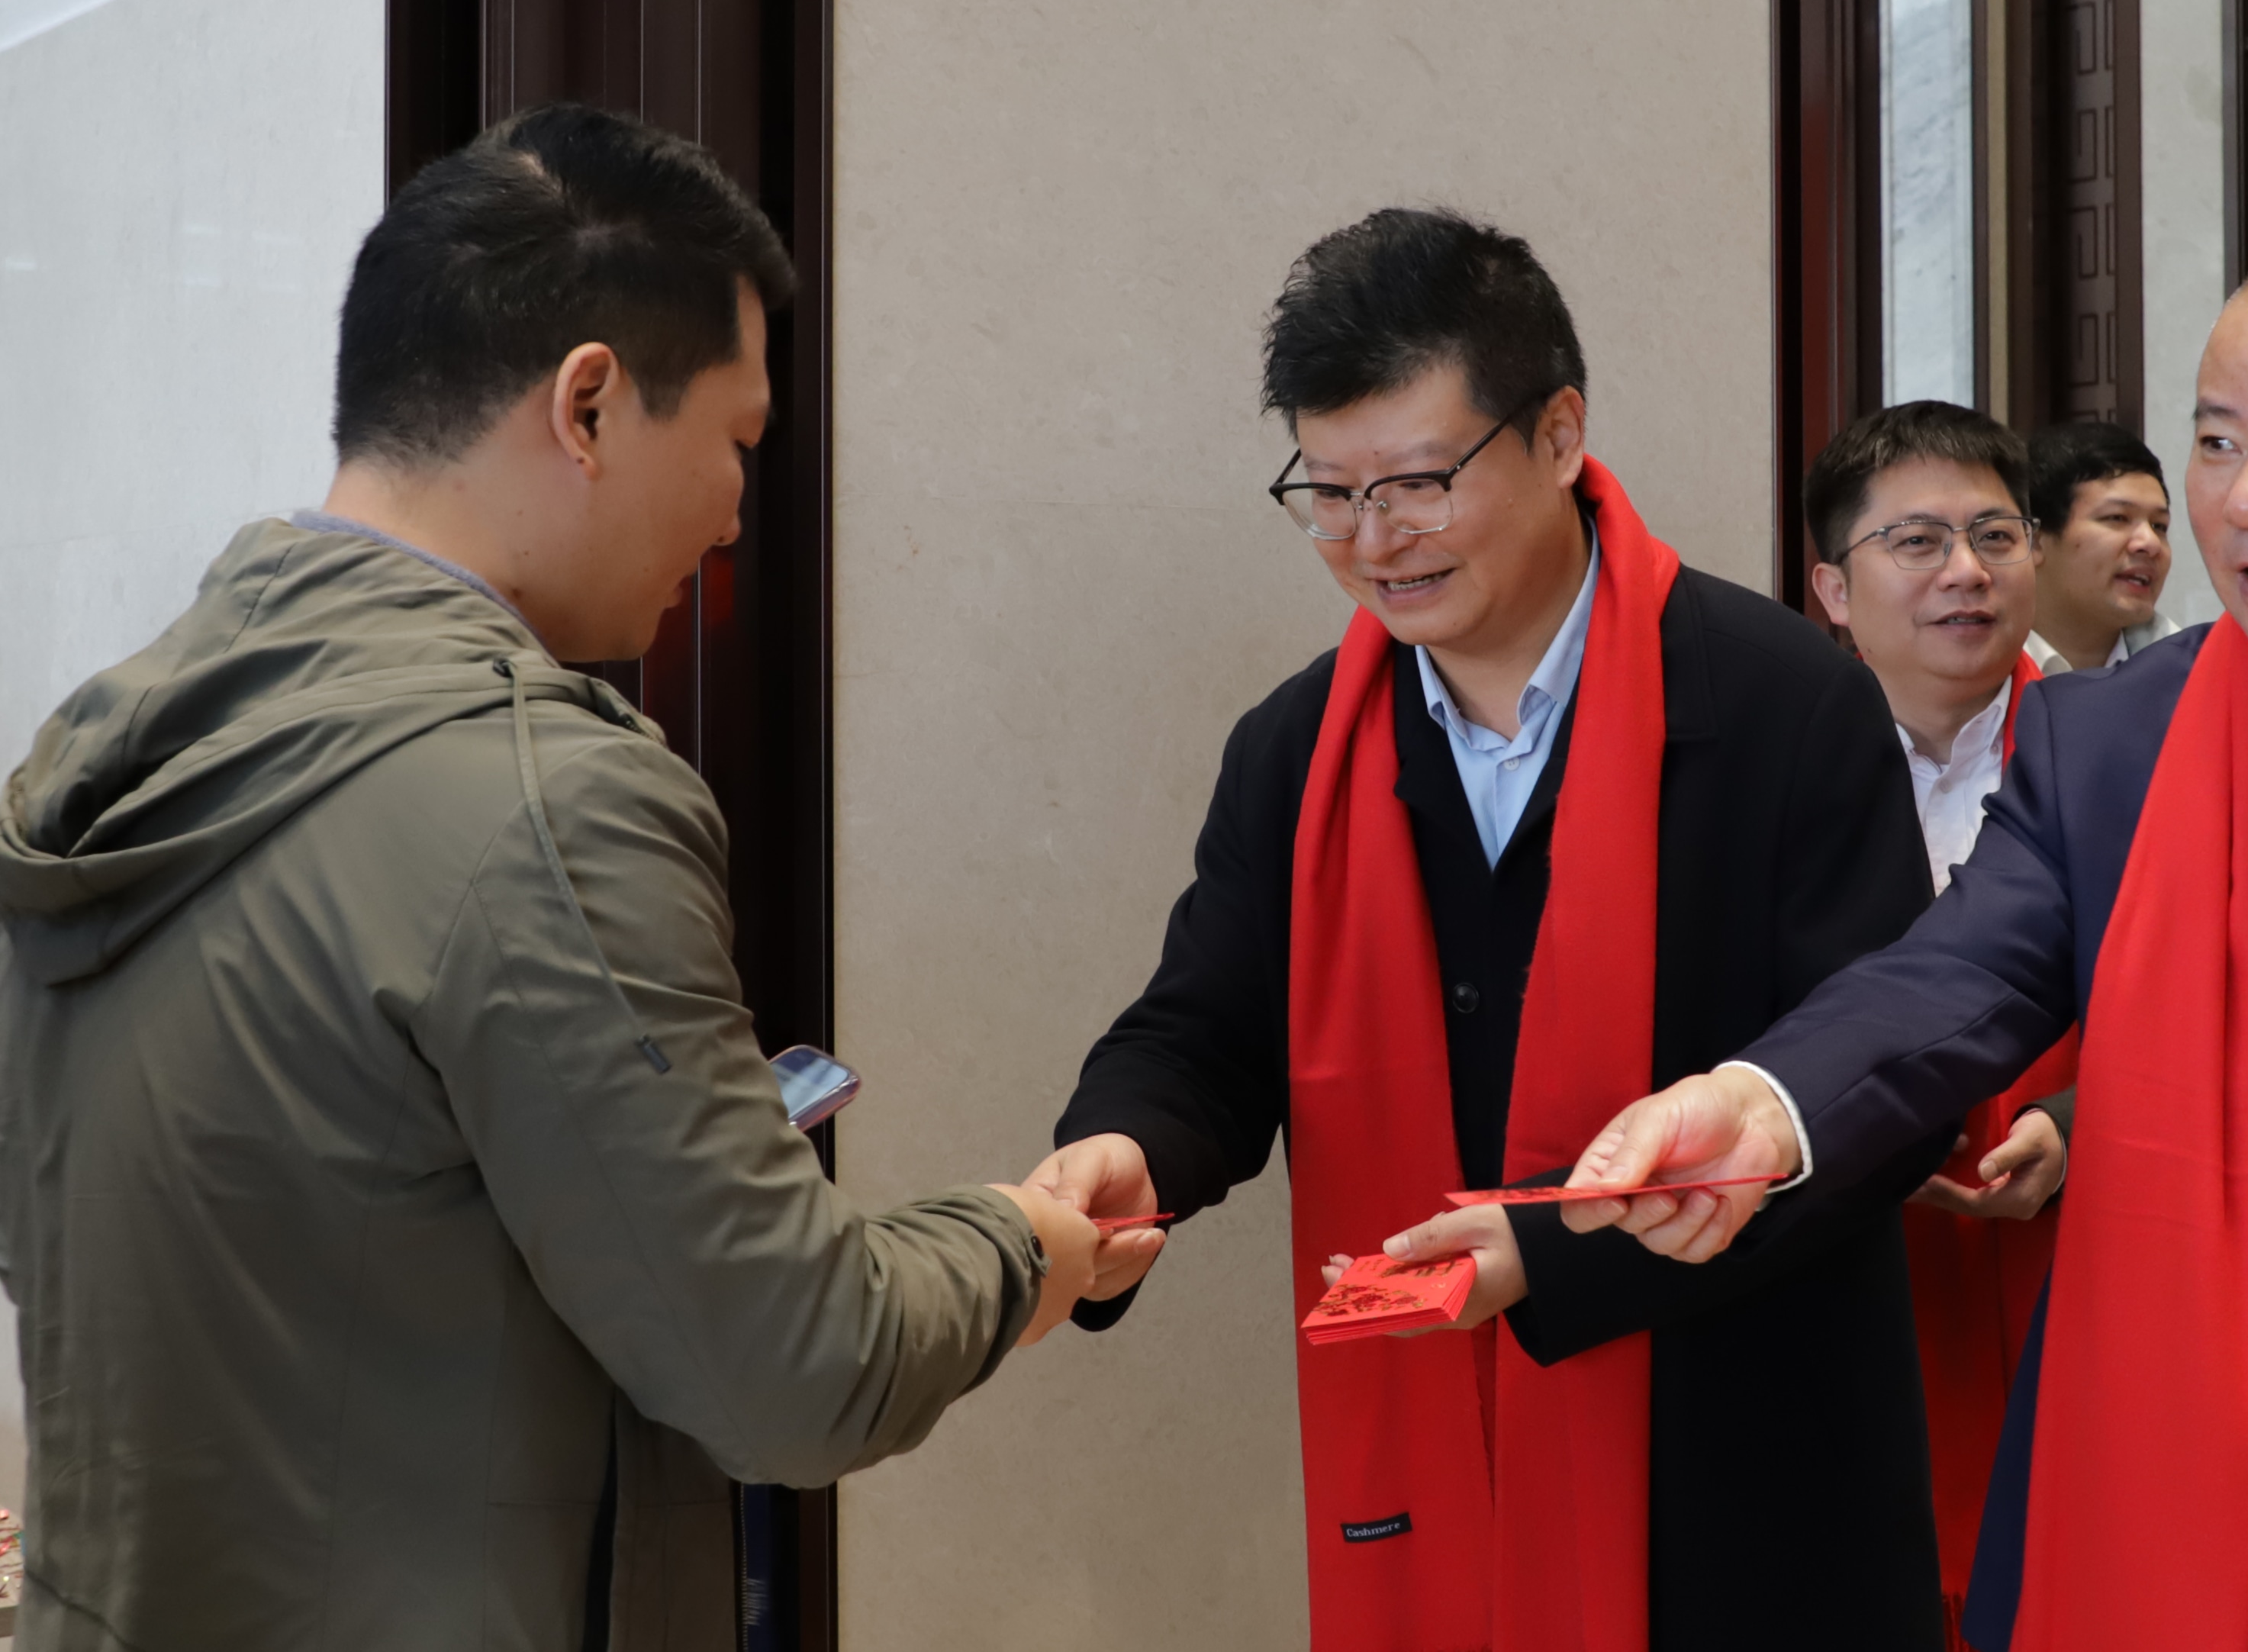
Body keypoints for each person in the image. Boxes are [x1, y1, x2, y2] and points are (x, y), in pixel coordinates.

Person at [0, 106, 1100, 1650]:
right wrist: (1019, 1242)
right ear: (588, 403)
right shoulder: (544, 797)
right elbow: (795, 1369)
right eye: (736, 440)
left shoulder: (105, 752)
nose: (734, 512)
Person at [1559, 231, 2248, 1652]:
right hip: (2218, 1545)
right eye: (2216, 441)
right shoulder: (2111, 745)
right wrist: (1760, 1102)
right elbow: (1951, 975)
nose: (2247, 500)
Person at [1028, 208, 1949, 1650]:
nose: (1370, 540)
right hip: (1436, 1455)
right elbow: (1207, 1027)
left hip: (1746, 1467)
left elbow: (1880, 1091)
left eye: (1414, 482)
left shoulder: (1782, 703)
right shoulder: (1297, 749)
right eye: (1328, 492)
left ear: (1558, 432)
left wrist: (1552, 1252)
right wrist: (1125, 1148)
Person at [1803, 402, 2074, 1637]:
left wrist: (2076, 1121)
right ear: (1832, 588)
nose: (1965, 570)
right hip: (1844, 1267)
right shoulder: (1770, 768)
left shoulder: (2121, 755)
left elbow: (2242, 1011)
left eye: (1994, 534)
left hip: (2080, 1262)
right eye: (1916, 541)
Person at [2022, 420, 2179, 675]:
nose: (2150, 543)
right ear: (2035, 541)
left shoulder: (2188, 669)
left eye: (2159, 526)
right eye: (2118, 518)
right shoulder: (1976, 672)